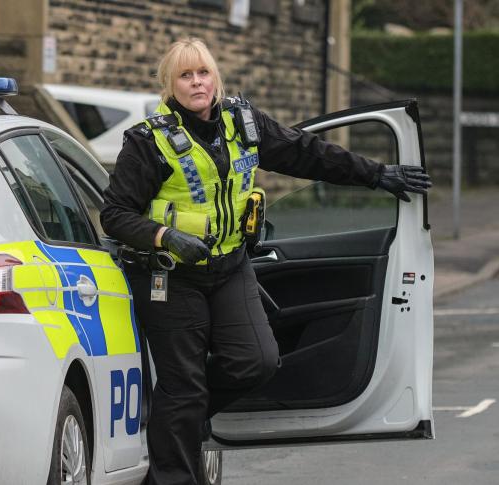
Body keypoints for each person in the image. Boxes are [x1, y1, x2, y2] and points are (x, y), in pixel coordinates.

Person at [99, 37, 431, 485]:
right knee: (183, 385)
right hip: (169, 276)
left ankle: (179, 418)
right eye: (185, 75)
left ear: (216, 77)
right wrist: (166, 236)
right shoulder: (149, 141)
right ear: (169, 84)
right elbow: (115, 215)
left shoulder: (243, 122)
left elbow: (306, 153)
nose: (197, 82)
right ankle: (173, 463)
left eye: (204, 73)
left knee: (256, 361)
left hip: (229, 267)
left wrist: (375, 174)